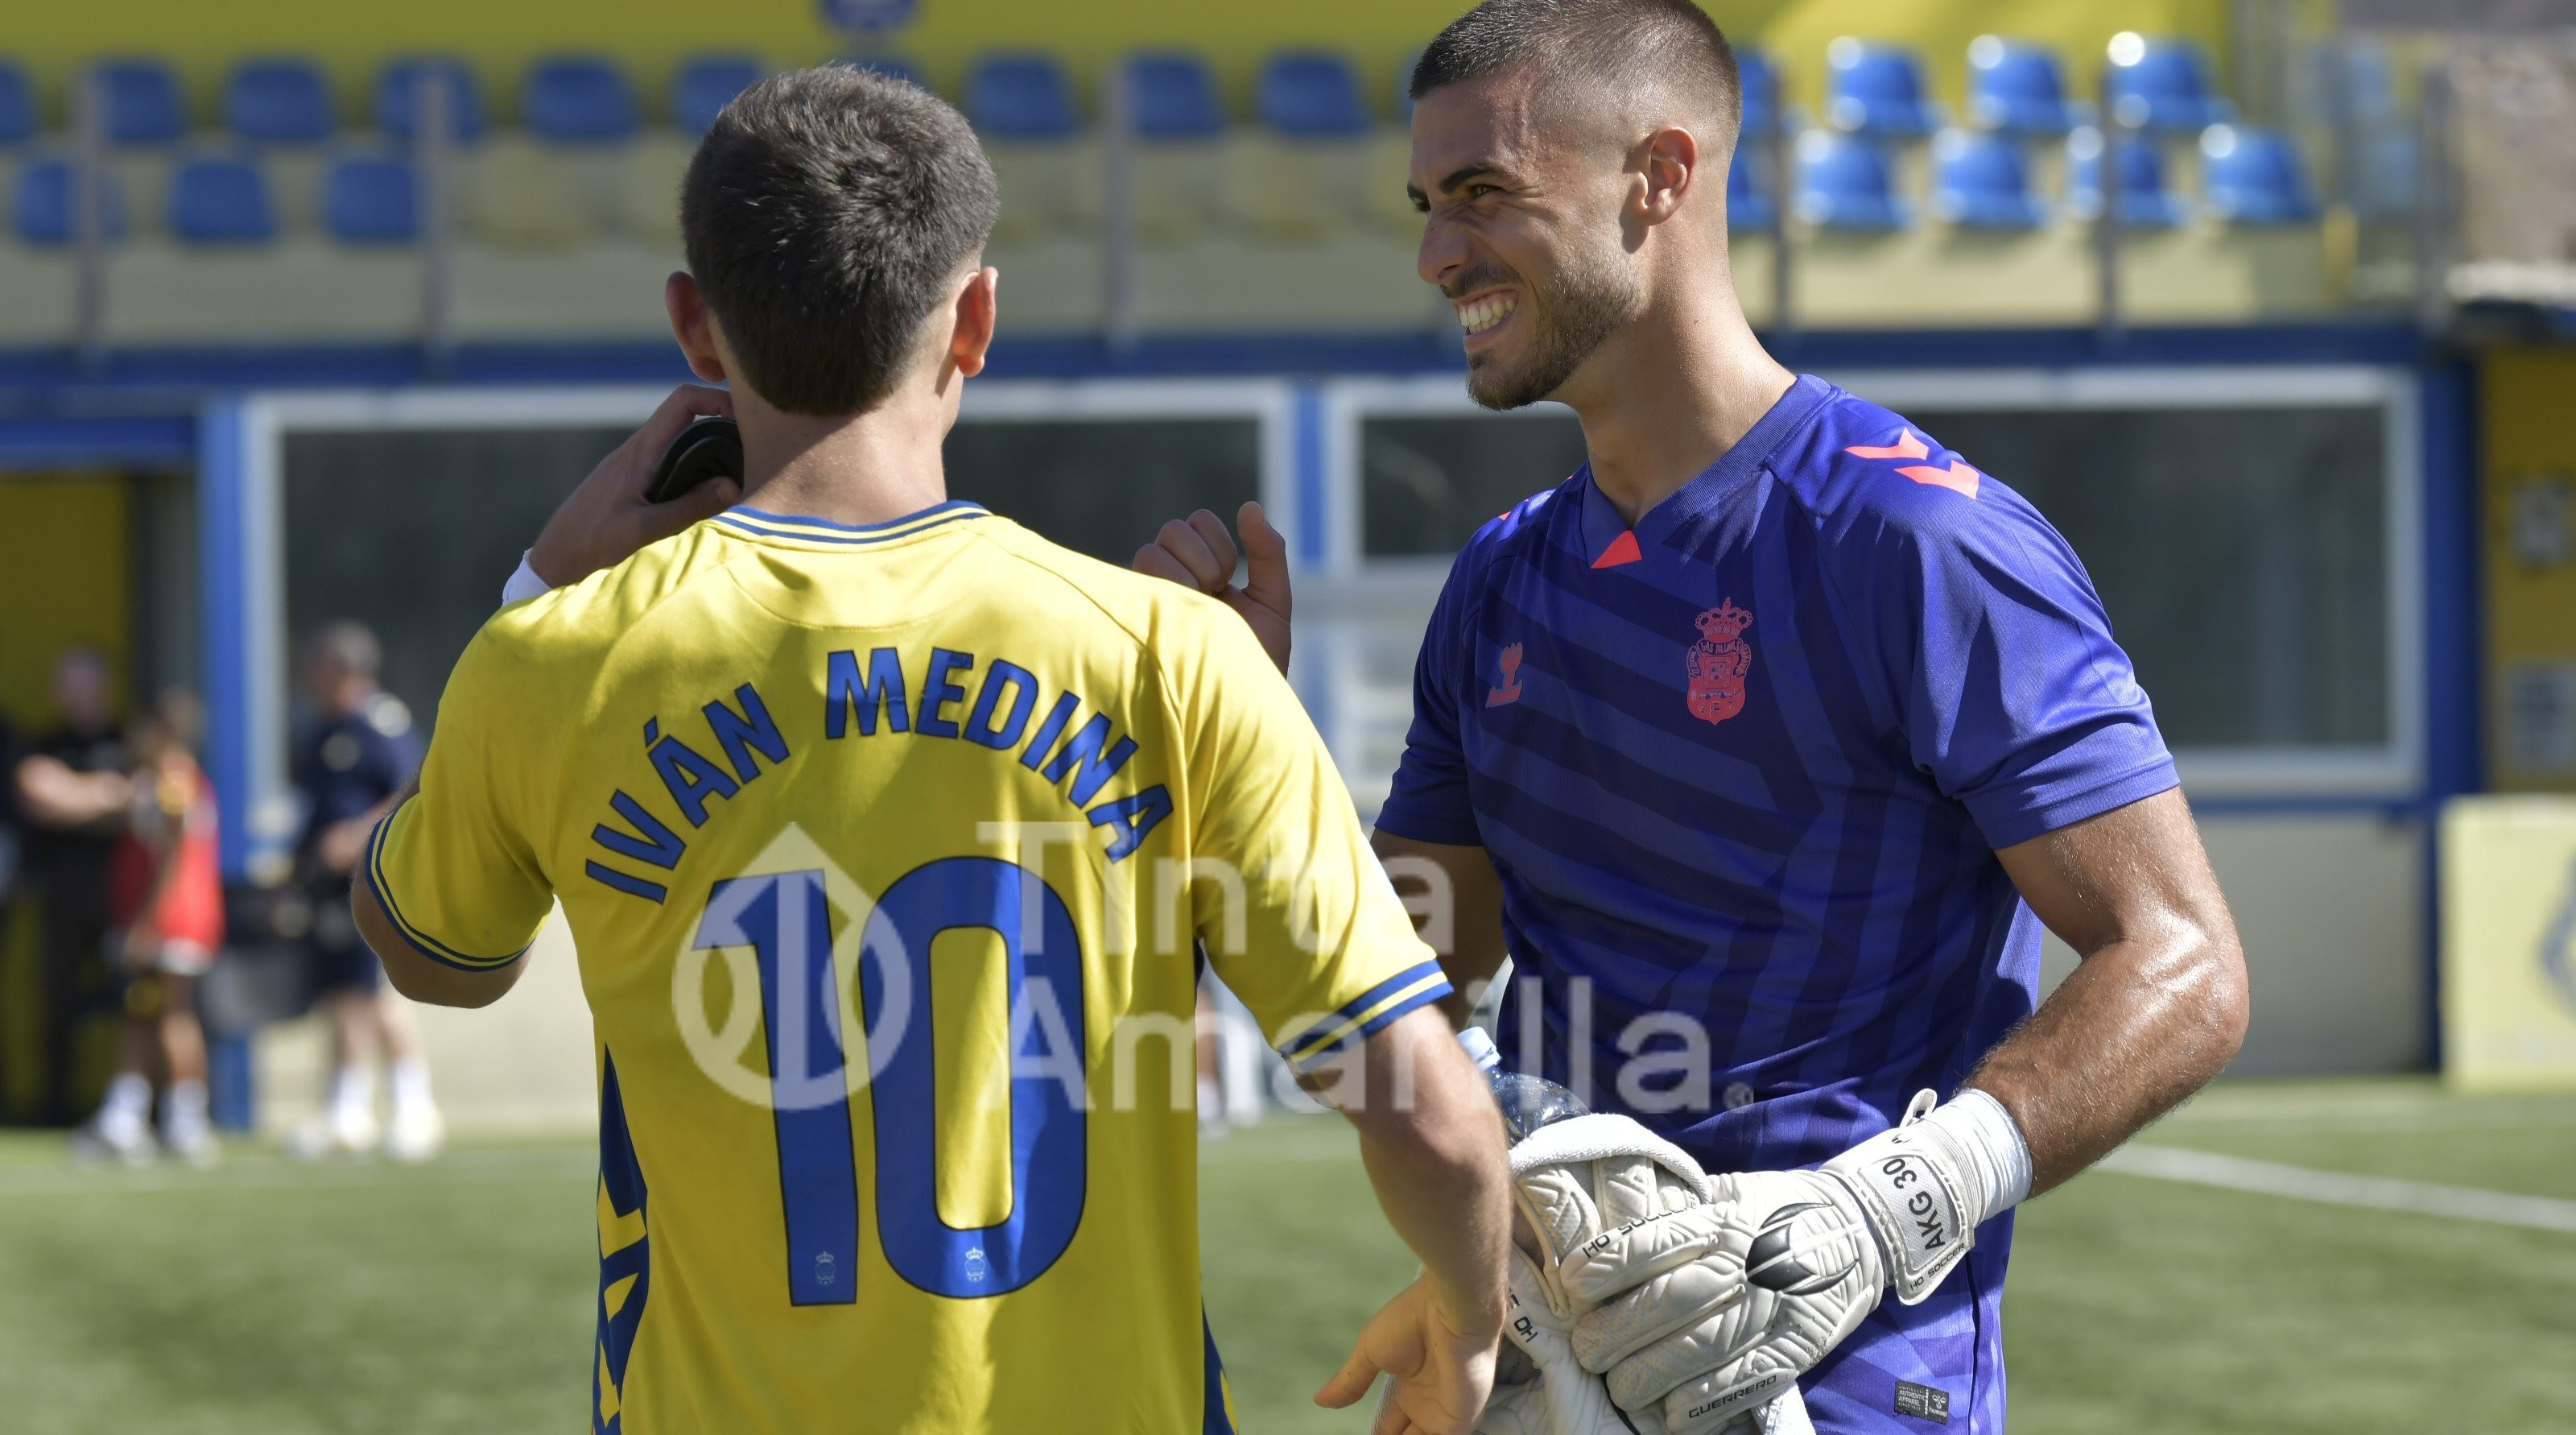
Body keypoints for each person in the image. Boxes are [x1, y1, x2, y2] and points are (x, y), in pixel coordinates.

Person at [1136, 4, 2251, 1433]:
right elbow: (1401, 980)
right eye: (1425, 206)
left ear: (1657, 177)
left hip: (1836, 1386)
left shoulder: (1914, 539)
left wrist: (1879, 1211)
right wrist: (1251, 738)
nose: (1434, 254)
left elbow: (2185, 961)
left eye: (1482, 194)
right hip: (1555, 1378)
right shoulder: (1502, 580)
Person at [350, 67, 1512, 1435]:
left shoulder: (556, 661)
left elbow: (433, 951)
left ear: (693, 329)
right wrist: (1471, 1319)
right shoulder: (1170, 655)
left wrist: (536, 589)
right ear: (976, 320)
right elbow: (1424, 1111)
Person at [289, 621, 443, 1161]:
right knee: (344, 997)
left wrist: (355, 838)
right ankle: (346, 1111)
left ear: (343, 668)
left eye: (318, 664)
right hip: (330, 890)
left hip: (376, 880)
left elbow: (414, 788)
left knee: (378, 994)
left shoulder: (382, 724)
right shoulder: (322, 730)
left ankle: (415, 1108)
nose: (309, 675)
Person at [76, 689, 224, 1166]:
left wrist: (144, 924)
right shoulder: (160, 780)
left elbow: (173, 859)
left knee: (172, 1014)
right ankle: (126, 1115)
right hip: (158, 919)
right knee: (140, 1010)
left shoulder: (175, 782)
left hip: (172, 920)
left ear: (161, 731)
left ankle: (187, 1122)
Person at [11, 647, 131, 1126]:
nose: (72, 693)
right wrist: (102, 797)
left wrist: (71, 797)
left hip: (120, 891)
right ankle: (56, 1105)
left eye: (81, 682)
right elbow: (34, 793)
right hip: (60, 892)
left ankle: (133, 1105)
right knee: (56, 1001)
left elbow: (140, 797)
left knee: (131, 999)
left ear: (103, 685)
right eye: (66, 683)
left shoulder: (127, 739)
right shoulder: (46, 741)